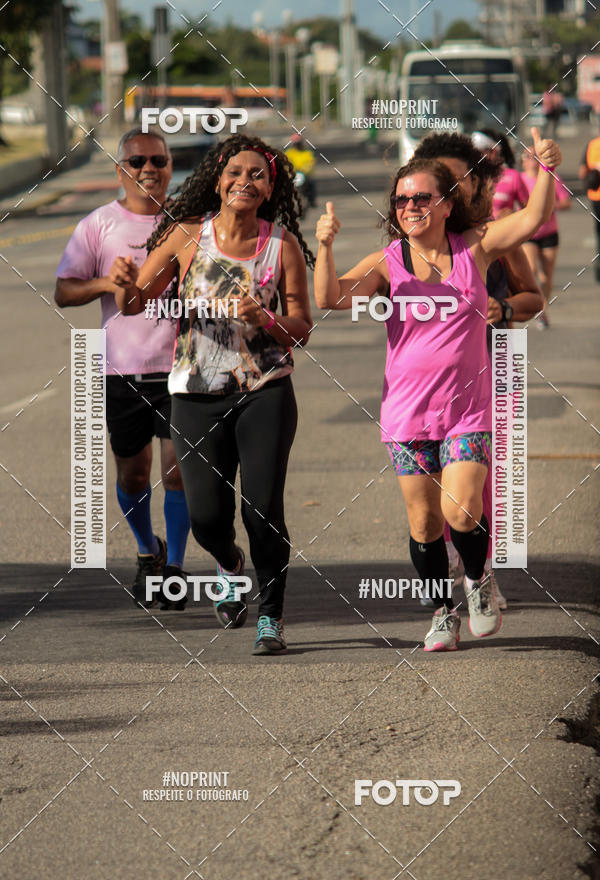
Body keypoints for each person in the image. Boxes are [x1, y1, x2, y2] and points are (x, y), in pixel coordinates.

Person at [314, 127, 560, 652]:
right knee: (424, 522)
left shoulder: (476, 246)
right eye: (402, 199)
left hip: (467, 409)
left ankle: (477, 582)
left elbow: (534, 220)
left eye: (421, 197)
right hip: (407, 414)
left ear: (448, 204)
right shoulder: (389, 261)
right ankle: (440, 612)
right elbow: (331, 298)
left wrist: (544, 168)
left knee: (461, 510)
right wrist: (325, 246)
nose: (410, 206)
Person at [111, 134, 313, 655]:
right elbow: (135, 304)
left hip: (264, 390)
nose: (245, 181)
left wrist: (264, 317)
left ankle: (272, 615)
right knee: (205, 518)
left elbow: (302, 328)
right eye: (235, 172)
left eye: (258, 175)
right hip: (195, 392)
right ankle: (228, 564)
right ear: (217, 181)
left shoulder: (281, 244)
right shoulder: (184, 237)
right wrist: (125, 283)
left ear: (269, 189)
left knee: (263, 507)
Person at [55, 128, 191, 610]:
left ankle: (174, 568)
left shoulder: (188, 223)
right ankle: (147, 551)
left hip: (181, 368)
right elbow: (64, 292)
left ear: (171, 166)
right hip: (122, 372)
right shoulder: (98, 225)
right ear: (121, 171)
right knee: (135, 476)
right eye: (137, 162)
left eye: (159, 160)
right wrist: (104, 282)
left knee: (179, 474)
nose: (149, 169)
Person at [413, 132, 543, 611]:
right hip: (428, 385)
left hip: (491, 365)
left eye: (457, 179)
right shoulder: (410, 239)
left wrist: (503, 308)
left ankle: (480, 569)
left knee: (478, 479)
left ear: (475, 183)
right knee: (431, 485)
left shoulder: (493, 235)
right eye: (439, 180)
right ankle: (454, 560)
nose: (450, 188)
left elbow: (533, 298)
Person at [521, 146, 571, 328]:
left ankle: (543, 309)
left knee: (547, 278)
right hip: (528, 233)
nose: (531, 159)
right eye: (527, 155)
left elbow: (566, 202)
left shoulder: (552, 177)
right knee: (532, 269)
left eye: (535, 156)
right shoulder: (519, 180)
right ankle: (537, 309)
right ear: (522, 161)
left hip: (549, 233)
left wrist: (549, 207)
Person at [471, 130, 529, 219]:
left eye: (479, 151)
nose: (473, 155)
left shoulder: (513, 176)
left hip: (505, 231)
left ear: (493, 152)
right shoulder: (468, 176)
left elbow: (529, 212)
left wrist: (513, 216)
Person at [577, 133, 600, 282]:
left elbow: (581, 172)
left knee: (599, 233)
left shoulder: (592, 145)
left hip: (596, 196)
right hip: (596, 196)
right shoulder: (592, 145)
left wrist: (594, 169)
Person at [285, 133, 317, 209]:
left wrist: (307, 169)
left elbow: (311, 163)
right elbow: (285, 163)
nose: (297, 145)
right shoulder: (289, 153)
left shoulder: (307, 153)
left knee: (312, 185)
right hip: (293, 175)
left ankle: (312, 200)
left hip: (304, 175)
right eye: (295, 144)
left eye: (298, 143)